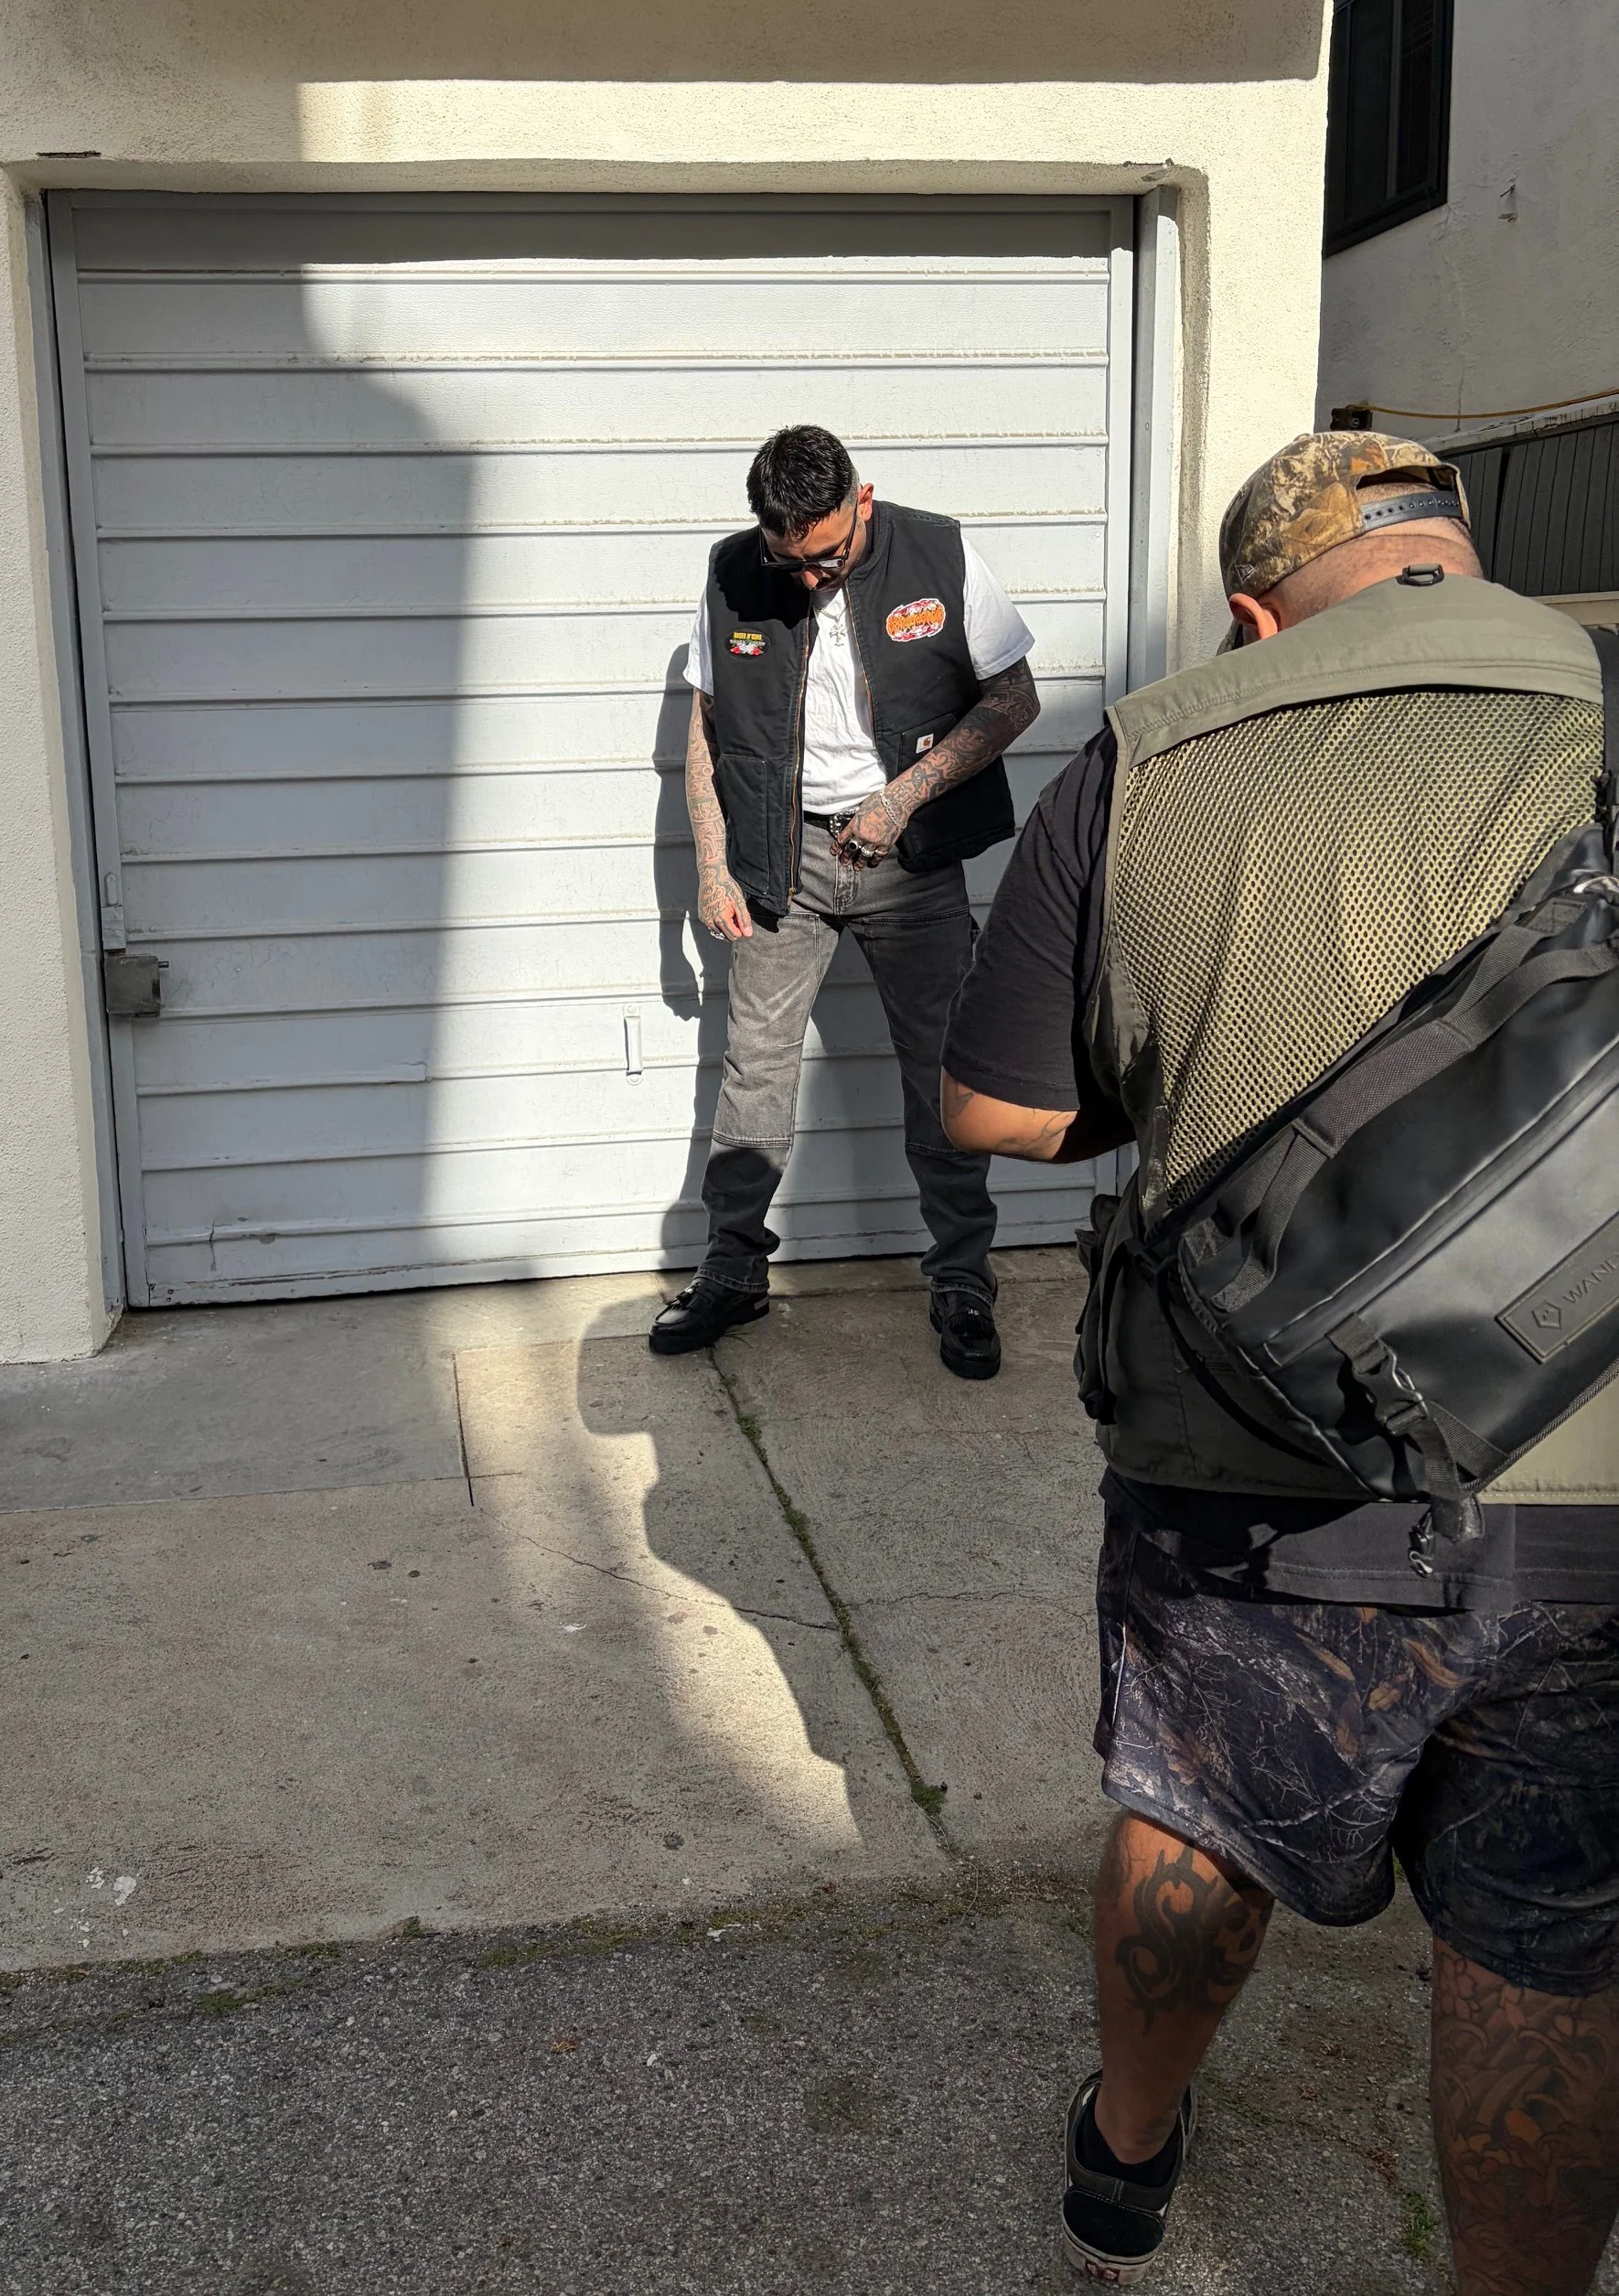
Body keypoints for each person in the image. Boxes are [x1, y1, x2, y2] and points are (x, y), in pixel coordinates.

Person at [941, 431, 1619, 2291]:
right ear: (1457, 554)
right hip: (1585, 1478)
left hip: (1253, 1459)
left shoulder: (1151, 754)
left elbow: (993, 1104)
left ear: (1255, 613)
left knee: (1195, 1812)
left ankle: (1124, 2156)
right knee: (1545, 1942)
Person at [651, 424, 1039, 1377]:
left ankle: (963, 1277)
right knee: (753, 1073)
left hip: (908, 860)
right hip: (780, 861)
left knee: (941, 1074)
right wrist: (712, 867)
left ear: (862, 500)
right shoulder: (734, 571)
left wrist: (903, 798)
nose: (812, 577)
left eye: (828, 555)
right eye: (792, 562)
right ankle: (733, 1270)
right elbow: (706, 729)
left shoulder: (939, 552)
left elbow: (1014, 698)